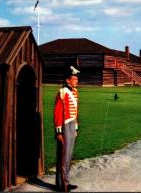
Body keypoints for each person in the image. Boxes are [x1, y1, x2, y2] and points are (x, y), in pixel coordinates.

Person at [54, 64, 80, 192]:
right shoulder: (62, 92)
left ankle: (67, 181)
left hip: (71, 125)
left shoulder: (75, 92)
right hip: (64, 126)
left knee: (69, 155)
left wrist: (75, 128)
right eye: (74, 79)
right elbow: (58, 112)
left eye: (76, 79)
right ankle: (61, 184)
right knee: (63, 155)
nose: (76, 81)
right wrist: (58, 131)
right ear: (67, 80)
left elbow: (76, 111)